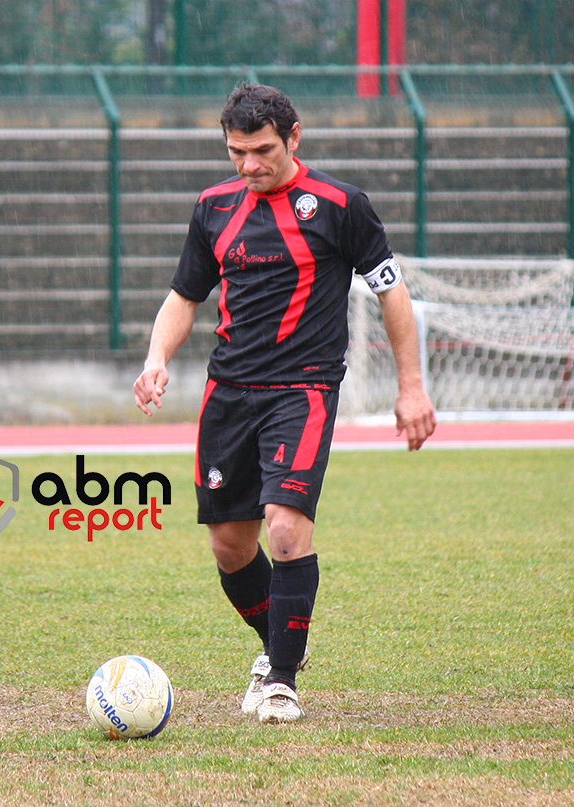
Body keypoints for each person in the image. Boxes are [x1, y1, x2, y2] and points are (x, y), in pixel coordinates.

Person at [134, 83, 436, 724]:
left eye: (262, 150)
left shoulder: (340, 206)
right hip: (228, 394)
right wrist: (156, 360)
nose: (249, 165)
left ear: (293, 138)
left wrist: (411, 387)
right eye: (237, 152)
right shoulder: (213, 207)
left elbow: (392, 292)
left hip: (303, 388)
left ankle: (281, 680)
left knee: (286, 528)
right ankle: (277, 647)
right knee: (230, 548)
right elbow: (185, 296)